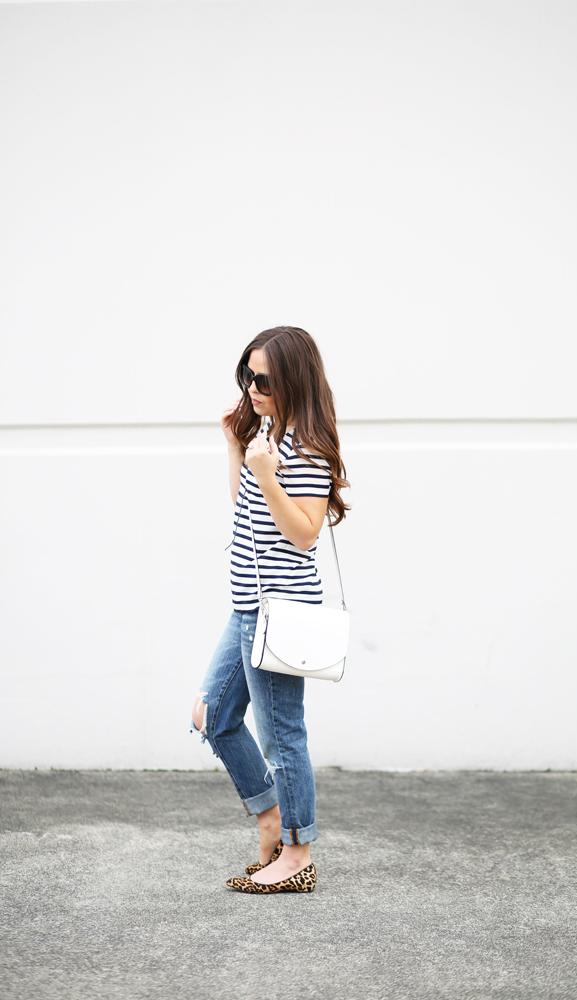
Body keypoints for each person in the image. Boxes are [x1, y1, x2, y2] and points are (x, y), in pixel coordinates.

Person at [191, 326, 349, 894]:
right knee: (211, 716)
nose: (252, 388)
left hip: (278, 613)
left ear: (292, 381)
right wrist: (237, 445)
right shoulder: (269, 436)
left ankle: (298, 852)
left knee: (283, 737)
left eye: (263, 379)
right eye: (246, 376)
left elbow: (303, 533)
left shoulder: (304, 447)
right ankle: (270, 818)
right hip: (246, 608)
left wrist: (266, 473)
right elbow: (246, 506)